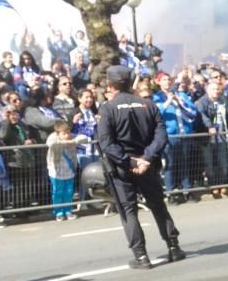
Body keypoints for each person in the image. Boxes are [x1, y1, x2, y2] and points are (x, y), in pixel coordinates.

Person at [97, 65, 184, 269]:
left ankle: (141, 256)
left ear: (110, 84)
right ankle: (173, 246)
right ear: (130, 83)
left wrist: (131, 161)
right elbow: (161, 135)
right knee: (158, 205)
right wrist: (145, 158)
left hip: (122, 167)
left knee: (129, 211)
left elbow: (106, 143)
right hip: (147, 165)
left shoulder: (108, 109)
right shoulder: (148, 105)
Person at [45, 119, 88, 221]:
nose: (67, 135)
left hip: (69, 170)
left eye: (68, 133)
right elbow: (51, 144)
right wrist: (64, 143)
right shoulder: (52, 138)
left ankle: (68, 210)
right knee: (57, 192)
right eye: (64, 133)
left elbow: (84, 138)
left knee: (69, 192)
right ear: (57, 133)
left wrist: (72, 141)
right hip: (56, 171)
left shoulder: (71, 137)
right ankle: (58, 212)